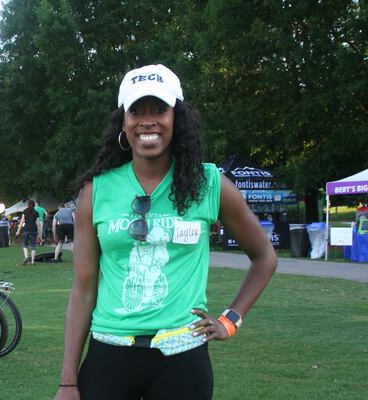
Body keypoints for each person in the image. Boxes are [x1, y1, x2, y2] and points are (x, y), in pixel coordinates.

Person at [55, 64, 277, 400]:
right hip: (109, 356)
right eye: (136, 111)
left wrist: (230, 319)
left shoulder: (210, 184)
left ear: (177, 118)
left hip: (182, 359)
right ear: (123, 122)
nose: (148, 121)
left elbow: (264, 257)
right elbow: (84, 290)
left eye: (159, 109)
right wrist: (68, 382)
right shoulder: (95, 192)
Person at [15, 200, 40, 265]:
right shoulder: (36, 212)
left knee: (25, 244)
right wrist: (39, 232)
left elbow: (22, 221)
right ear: (34, 205)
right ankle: (32, 261)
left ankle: (26, 257)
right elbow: (38, 223)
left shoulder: (25, 211)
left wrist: (18, 230)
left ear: (28, 205)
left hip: (26, 229)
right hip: (34, 229)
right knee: (33, 245)